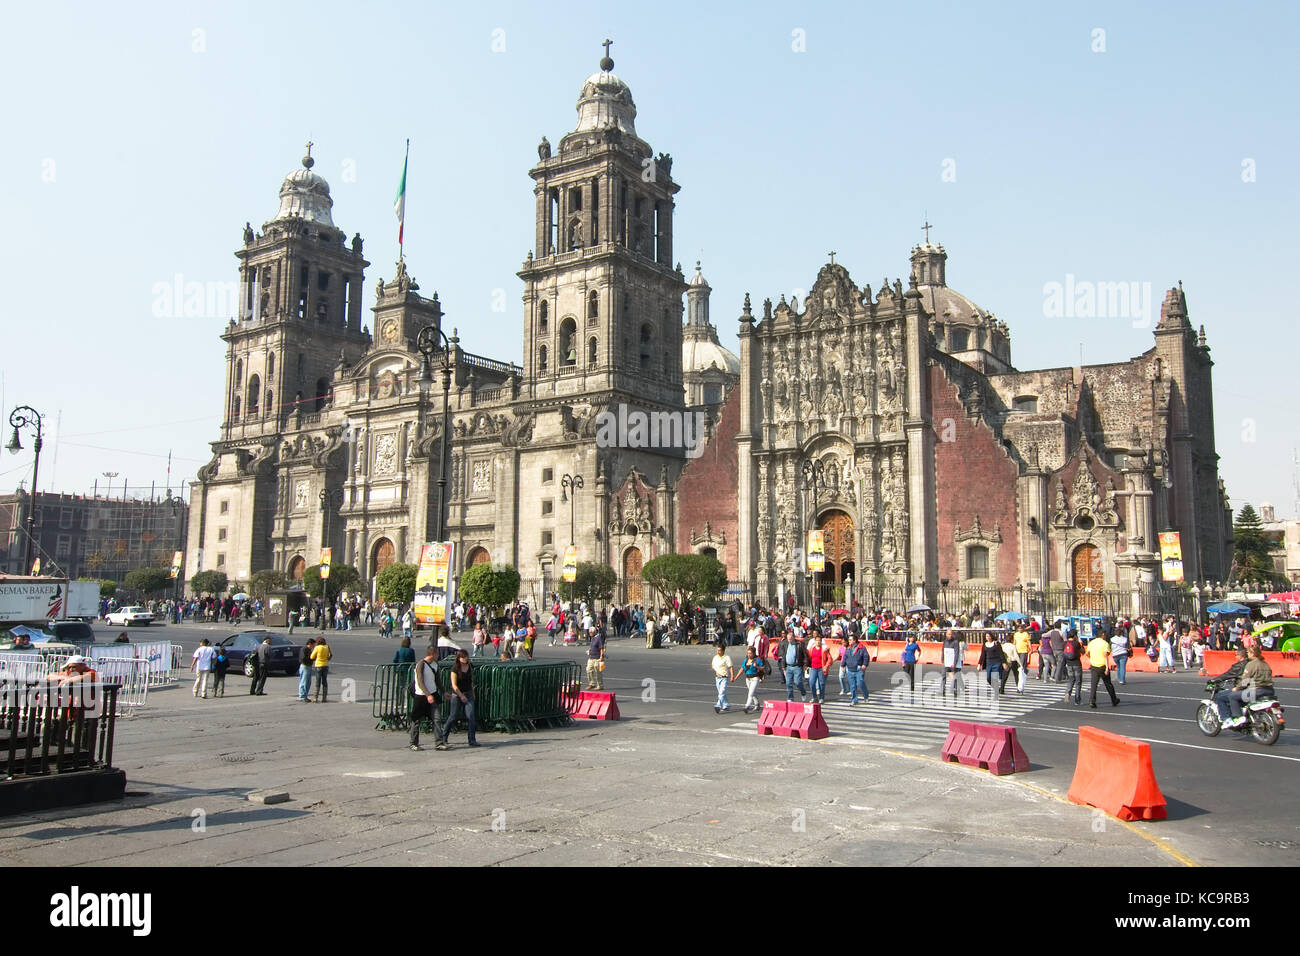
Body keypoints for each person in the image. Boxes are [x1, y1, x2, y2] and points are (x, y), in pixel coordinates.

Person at [1216, 645, 1274, 729]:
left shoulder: (1251, 664)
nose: (1247, 654)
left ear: (1252, 653)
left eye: (1248, 653)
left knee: (1232, 696)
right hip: (1269, 690)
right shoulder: (1265, 664)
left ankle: (1237, 717)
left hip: (1256, 690)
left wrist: (1237, 688)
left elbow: (1245, 681)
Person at [439, 649, 479, 748]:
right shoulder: (455, 668)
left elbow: (471, 681)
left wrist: (473, 693)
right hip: (457, 695)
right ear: (459, 658)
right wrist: (461, 696)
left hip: (468, 693)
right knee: (453, 716)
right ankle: (443, 737)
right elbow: (454, 685)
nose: (466, 659)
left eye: (466, 657)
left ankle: (472, 739)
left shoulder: (469, 666)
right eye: (464, 657)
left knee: (471, 716)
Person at [409, 644, 440, 751]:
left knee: (437, 719)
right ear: (432, 654)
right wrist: (428, 694)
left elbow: (437, 680)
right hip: (421, 696)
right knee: (416, 720)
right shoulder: (421, 664)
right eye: (437, 653)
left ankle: (439, 742)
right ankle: (413, 743)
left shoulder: (435, 665)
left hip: (433, 694)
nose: (438, 655)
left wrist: (444, 691)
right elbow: (420, 681)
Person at [1086, 631, 1120, 708]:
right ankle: (1114, 699)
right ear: (1103, 635)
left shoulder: (1091, 643)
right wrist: (1107, 668)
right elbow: (1106, 656)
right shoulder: (1105, 644)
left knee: (1094, 684)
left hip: (1094, 666)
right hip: (1102, 666)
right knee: (1108, 684)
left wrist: (1092, 658)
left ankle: (1092, 700)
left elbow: (1087, 653)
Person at [777, 628, 810, 702]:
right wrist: (783, 666)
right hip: (788, 666)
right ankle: (790, 698)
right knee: (788, 683)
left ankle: (803, 692)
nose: (789, 640)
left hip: (797, 666)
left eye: (790, 639)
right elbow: (783, 655)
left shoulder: (799, 644)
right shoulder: (785, 644)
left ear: (794, 638)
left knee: (797, 682)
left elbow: (805, 654)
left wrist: (805, 664)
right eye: (788, 639)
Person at [842, 634, 869, 704]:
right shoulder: (848, 648)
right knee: (852, 686)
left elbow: (866, 656)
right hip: (850, 669)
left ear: (854, 640)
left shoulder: (862, 648)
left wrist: (864, 664)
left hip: (859, 669)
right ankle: (854, 699)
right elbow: (845, 657)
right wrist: (843, 665)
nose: (849, 641)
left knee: (860, 683)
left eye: (850, 640)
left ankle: (866, 695)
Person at [1062, 628, 1084, 705]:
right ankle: (1077, 700)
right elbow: (1083, 652)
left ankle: (1068, 693)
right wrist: (1079, 642)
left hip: (1069, 664)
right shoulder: (1076, 643)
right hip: (1077, 664)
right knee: (1078, 682)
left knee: (1071, 679)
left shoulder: (1064, 643)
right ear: (1075, 635)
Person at [941, 629, 965, 698]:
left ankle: (955, 689)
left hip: (953, 662)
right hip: (946, 662)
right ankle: (943, 689)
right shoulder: (945, 641)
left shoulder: (955, 642)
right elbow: (943, 650)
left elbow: (956, 652)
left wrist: (954, 662)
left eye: (951, 634)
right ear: (946, 634)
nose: (950, 635)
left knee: (955, 676)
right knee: (943, 675)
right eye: (948, 634)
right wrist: (942, 659)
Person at [712, 643, 736, 713]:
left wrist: (732, 676)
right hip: (717, 678)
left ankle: (718, 705)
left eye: (719, 650)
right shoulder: (715, 657)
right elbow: (713, 666)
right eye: (717, 650)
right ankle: (726, 705)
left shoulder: (727, 657)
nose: (718, 652)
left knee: (722, 692)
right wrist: (716, 671)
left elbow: (730, 667)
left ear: (723, 651)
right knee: (721, 692)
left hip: (724, 677)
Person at [739, 646, 763, 713]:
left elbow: (762, 668)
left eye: (750, 653)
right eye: (748, 653)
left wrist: (757, 666)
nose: (749, 655)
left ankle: (747, 706)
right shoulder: (746, 660)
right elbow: (742, 669)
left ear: (754, 653)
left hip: (755, 678)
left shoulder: (757, 660)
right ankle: (757, 704)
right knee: (753, 693)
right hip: (748, 678)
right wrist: (736, 677)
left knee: (750, 693)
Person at [311, 634, 332, 702]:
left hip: (318, 665)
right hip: (325, 665)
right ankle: (324, 698)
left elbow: (312, 657)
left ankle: (315, 697)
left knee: (318, 681)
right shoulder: (327, 647)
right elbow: (330, 655)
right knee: (324, 681)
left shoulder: (317, 648)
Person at [807, 634, 827, 704]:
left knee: (821, 683)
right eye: (817, 641)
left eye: (819, 641)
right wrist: (806, 665)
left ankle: (821, 697)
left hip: (821, 668)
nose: (818, 642)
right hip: (813, 668)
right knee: (811, 682)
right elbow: (808, 657)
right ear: (814, 641)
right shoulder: (811, 649)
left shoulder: (824, 649)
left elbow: (829, 659)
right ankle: (814, 697)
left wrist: (826, 666)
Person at [586, 626, 605, 690]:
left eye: (590, 632)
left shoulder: (598, 638)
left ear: (594, 632)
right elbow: (592, 646)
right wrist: (589, 650)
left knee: (598, 672)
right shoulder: (592, 638)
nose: (589, 633)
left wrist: (601, 656)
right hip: (591, 657)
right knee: (588, 670)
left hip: (597, 658)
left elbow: (601, 648)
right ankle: (592, 684)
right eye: (589, 632)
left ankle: (600, 685)